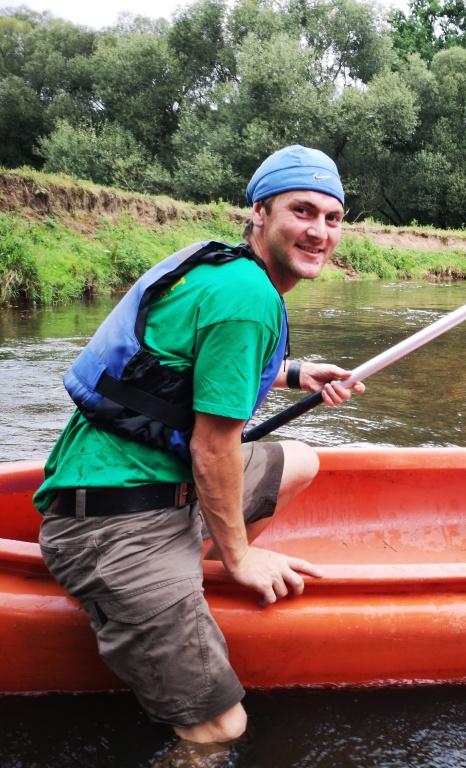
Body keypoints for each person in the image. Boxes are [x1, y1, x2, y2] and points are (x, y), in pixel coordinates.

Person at [33, 145, 364, 746]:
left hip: (154, 484)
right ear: (260, 212)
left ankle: (194, 584)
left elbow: (182, 372)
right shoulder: (249, 298)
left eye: (332, 218)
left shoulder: (225, 271)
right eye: (302, 211)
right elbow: (213, 448)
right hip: (113, 525)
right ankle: (199, 581)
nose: (319, 231)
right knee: (220, 728)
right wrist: (242, 559)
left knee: (299, 460)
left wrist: (294, 373)